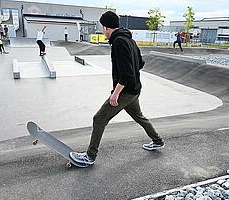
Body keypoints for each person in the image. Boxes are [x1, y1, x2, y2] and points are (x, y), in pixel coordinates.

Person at [69, 11, 165, 167]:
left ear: (106, 27)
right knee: (139, 116)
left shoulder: (119, 42)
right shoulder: (130, 40)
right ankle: (158, 141)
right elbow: (140, 64)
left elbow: (126, 74)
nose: (102, 31)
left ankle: (90, 156)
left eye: (102, 28)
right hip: (134, 89)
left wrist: (116, 93)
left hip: (126, 92)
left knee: (99, 119)